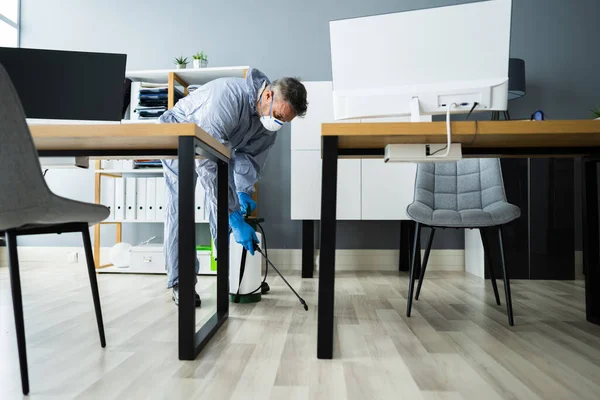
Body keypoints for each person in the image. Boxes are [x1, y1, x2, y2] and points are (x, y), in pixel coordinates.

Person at [158, 68, 308, 306]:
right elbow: (210, 167)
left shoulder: (267, 123)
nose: (278, 123)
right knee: (182, 205)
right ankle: (181, 282)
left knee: (227, 204)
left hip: (213, 145)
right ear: (268, 95)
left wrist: (242, 191)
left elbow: (249, 159)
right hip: (179, 132)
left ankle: (234, 273)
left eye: (284, 121)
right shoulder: (228, 98)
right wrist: (233, 215)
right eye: (279, 115)